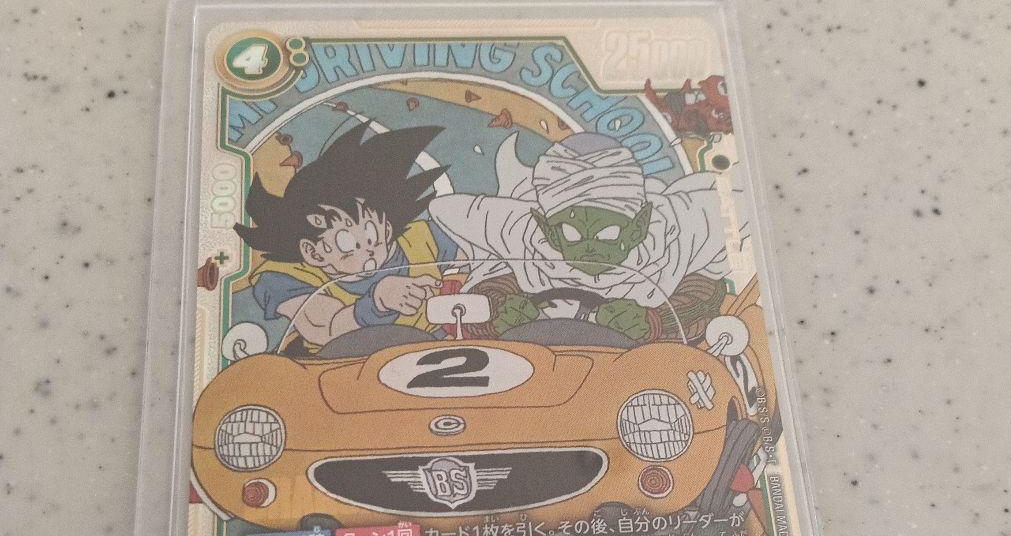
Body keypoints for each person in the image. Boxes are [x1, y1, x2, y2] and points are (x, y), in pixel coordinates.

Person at [428, 132, 730, 341]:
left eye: (608, 233)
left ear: (639, 226)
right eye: (572, 234)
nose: (589, 249)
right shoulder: (523, 241)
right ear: (548, 231)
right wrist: (500, 310)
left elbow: (705, 294)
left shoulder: (681, 232)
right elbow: (491, 288)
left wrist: (655, 320)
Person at [234, 122, 456, 350]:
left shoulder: (423, 240)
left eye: (372, 235)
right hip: (339, 364)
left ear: (387, 228)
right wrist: (378, 301)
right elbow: (325, 328)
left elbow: (471, 239)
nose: (368, 250)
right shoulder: (286, 277)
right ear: (312, 252)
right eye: (347, 243)